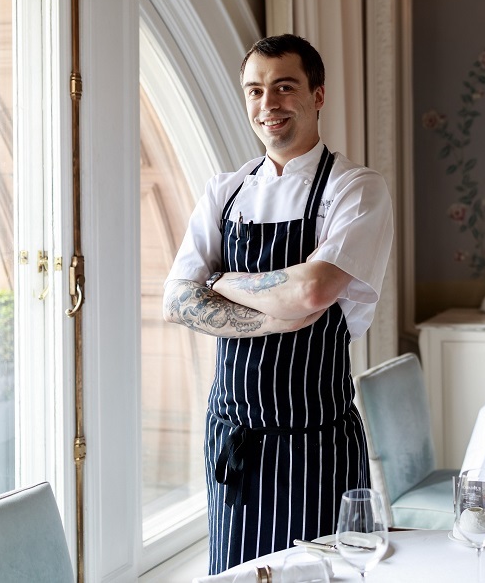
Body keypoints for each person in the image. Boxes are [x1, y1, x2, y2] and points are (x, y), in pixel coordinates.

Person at [162, 34, 393, 574]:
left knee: (319, 576)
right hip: (233, 439)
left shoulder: (355, 189)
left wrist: (217, 280)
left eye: (284, 87)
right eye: (255, 90)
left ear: (317, 95)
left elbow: (312, 293)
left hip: (316, 446)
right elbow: (175, 299)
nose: (269, 104)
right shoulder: (226, 191)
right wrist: (275, 313)